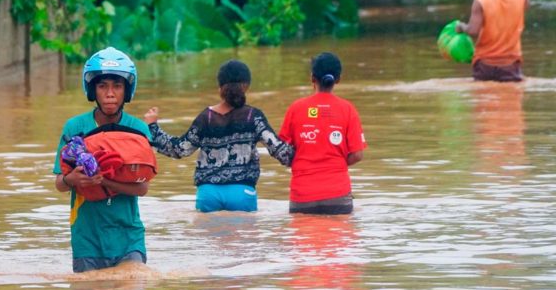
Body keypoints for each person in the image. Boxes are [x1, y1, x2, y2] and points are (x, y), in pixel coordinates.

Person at [144, 59, 294, 212]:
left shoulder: (205, 118)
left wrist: (153, 127)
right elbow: (280, 150)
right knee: (245, 236)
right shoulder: (253, 116)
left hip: (208, 194)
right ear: (246, 86)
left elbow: (179, 149)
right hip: (241, 193)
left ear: (219, 87)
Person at [53, 47, 152, 274]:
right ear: (92, 90)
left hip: (129, 236)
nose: (110, 93)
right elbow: (59, 184)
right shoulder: (74, 128)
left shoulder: (139, 129)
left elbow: (143, 187)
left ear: (126, 91)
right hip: (87, 238)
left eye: (117, 86)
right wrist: (72, 179)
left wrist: (104, 182)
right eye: (102, 86)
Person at [278, 52, 365, 215]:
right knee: (339, 240)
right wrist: (334, 164)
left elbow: (281, 150)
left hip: (302, 194)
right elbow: (357, 155)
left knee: (303, 239)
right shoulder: (348, 109)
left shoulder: (296, 108)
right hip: (337, 194)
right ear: (338, 79)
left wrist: (301, 164)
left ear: (312, 78)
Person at [455, 0, 528, 82]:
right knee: (510, 99)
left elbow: (473, 31)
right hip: (510, 65)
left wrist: (461, 26)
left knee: (483, 98)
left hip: (484, 65)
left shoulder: (481, 1)